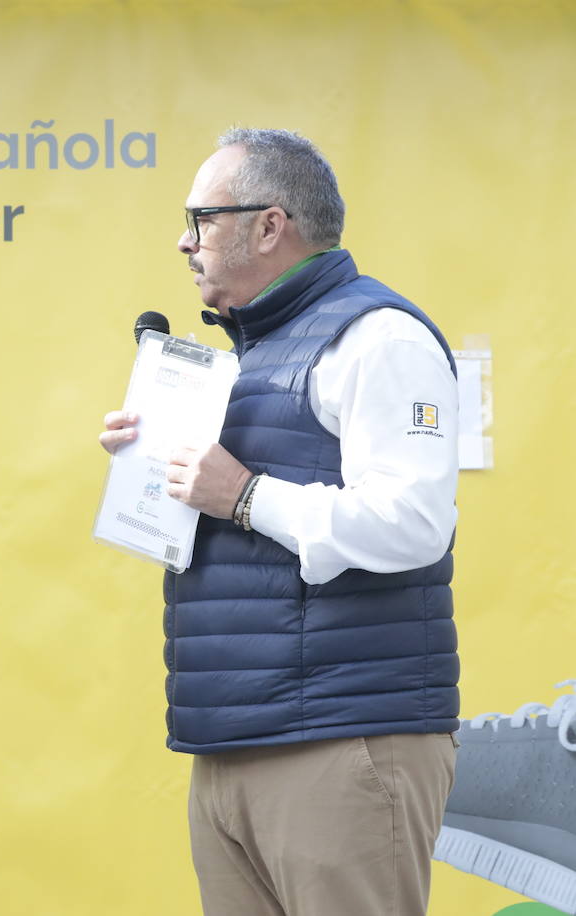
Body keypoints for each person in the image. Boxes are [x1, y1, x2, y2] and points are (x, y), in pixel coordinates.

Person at [100, 128, 460, 916]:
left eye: (202, 218)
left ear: (269, 225)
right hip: (231, 743)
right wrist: (154, 467)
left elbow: (415, 522)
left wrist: (244, 493)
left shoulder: (379, 337)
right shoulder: (244, 357)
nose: (183, 240)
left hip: (341, 737)